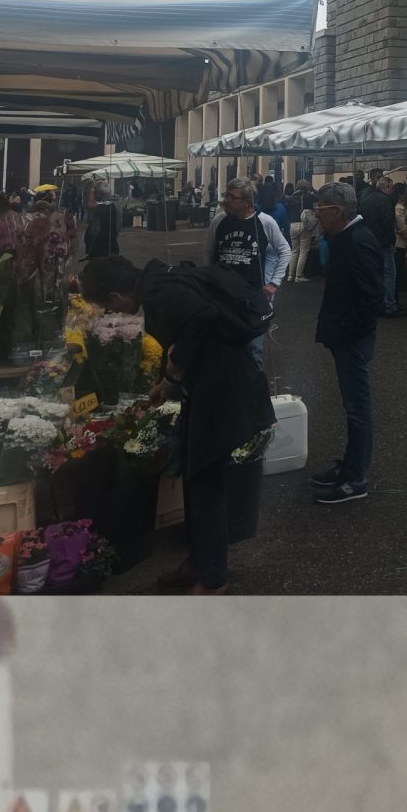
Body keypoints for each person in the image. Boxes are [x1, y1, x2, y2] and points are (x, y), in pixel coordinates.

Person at [140, 256, 272, 595]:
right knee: (194, 477)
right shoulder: (166, 283)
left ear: (115, 296)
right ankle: (198, 562)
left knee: (205, 482)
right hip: (214, 385)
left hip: (223, 390)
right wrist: (169, 382)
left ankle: (213, 579)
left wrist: (176, 366)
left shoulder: (158, 292)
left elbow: (202, 318)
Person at [311, 180, 387, 505]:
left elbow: (373, 298)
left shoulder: (358, 241)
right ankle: (351, 467)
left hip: (352, 338)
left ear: (337, 211)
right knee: (352, 406)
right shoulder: (346, 237)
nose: (316, 214)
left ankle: (356, 479)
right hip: (345, 334)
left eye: (320, 208)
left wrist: (344, 330)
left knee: (358, 408)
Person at [206, 180, 290, 367]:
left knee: (254, 351)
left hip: (253, 297)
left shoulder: (265, 222)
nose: (225, 200)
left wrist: (274, 284)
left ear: (247, 201)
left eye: (231, 197)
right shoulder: (219, 221)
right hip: (223, 296)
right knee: (223, 348)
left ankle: (252, 392)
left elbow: (284, 250)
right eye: (225, 195)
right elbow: (209, 253)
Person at [363, 169, 406, 316]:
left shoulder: (367, 198)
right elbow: (387, 223)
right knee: (389, 274)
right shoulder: (385, 201)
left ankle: (378, 304)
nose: (393, 190)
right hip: (384, 242)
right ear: (386, 187)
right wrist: (392, 240)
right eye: (392, 187)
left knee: (377, 274)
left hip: (371, 241)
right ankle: (390, 306)